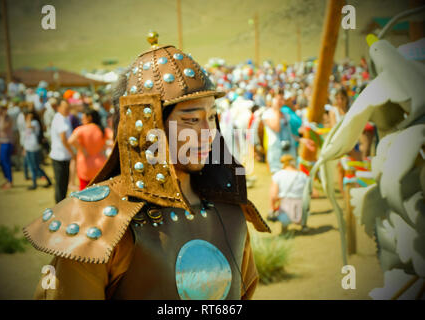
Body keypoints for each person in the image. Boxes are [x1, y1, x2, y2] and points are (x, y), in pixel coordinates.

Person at [24, 33, 270, 300]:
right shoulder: (96, 224)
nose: (208, 133)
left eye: (211, 117)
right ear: (149, 126)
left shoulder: (229, 212)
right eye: (191, 120)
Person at [68, 108, 107, 190]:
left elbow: (71, 140)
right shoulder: (102, 129)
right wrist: (104, 147)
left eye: (83, 117)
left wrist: (82, 149)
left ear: (89, 118)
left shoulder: (81, 129)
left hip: (85, 165)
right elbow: (114, 138)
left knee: (85, 194)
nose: (81, 119)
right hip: (100, 165)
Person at [268, 154, 308, 233]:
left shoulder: (278, 175)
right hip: (300, 210)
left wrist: (272, 208)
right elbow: (314, 193)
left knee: (283, 211)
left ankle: (284, 226)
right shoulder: (303, 176)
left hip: (285, 209)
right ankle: (303, 225)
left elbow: (273, 196)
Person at [262, 89, 297, 174]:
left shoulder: (286, 115)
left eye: (282, 99)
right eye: (278, 99)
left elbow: (290, 133)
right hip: (276, 151)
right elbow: (276, 128)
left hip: (289, 150)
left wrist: (301, 140)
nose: (281, 101)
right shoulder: (267, 114)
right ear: (272, 100)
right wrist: (277, 110)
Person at [49, 98, 74, 203]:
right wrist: (73, 152)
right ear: (58, 108)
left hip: (64, 156)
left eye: (68, 107)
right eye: (65, 108)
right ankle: (59, 207)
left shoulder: (65, 118)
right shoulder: (59, 119)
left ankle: (61, 204)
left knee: (63, 184)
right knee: (60, 185)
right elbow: (63, 138)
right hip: (59, 156)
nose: (67, 109)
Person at [23, 111, 52, 190]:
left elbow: (29, 126)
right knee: (33, 166)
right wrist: (24, 148)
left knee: (35, 167)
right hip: (28, 147)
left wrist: (28, 118)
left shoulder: (35, 122)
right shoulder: (31, 122)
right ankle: (45, 181)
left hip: (33, 147)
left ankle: (36, 184)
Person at [0, 104, 14, 189]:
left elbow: (3, 128)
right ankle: (7, 179)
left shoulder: (7, 118)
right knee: (2, 162)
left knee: (6, 162)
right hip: (1, 142)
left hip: (7, 142)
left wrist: (3, 117)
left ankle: (10, 181)